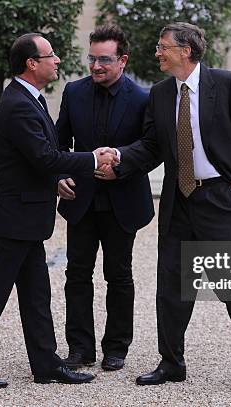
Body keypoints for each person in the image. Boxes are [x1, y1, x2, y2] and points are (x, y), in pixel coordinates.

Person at [0, 33, 119, 388]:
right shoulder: (18, 104)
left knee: (36, 294)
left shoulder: (30, 99)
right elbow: (44, 156)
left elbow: (35, 159)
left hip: (24, 218)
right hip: (11, 218)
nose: (57, 60)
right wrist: (91, 159)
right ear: (32, 63)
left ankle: (46, 365)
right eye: (51, 55)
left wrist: (54, 179)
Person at [107, 22, 231, 394]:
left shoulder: (226, 84)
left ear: (187, 51)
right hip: (178, 200)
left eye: (164, 47)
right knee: (172, 287)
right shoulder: (160, 94)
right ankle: (172, 363)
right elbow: (150, 147)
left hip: (218, 199)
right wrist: (118, 158)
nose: (158, 52)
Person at [55, 24, 155, 372]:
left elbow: (151, 148)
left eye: (104, 60)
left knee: (119, 275)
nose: (95, 66)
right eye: (92, 59)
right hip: (80, 200)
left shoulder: (144, 98)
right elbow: (57, 143)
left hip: (123, 202)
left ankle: (117, 348)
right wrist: (59, 175)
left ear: (123, 60)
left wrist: (121, 162)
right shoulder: (73, 92)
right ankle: (80, 349)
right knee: (76, 276)